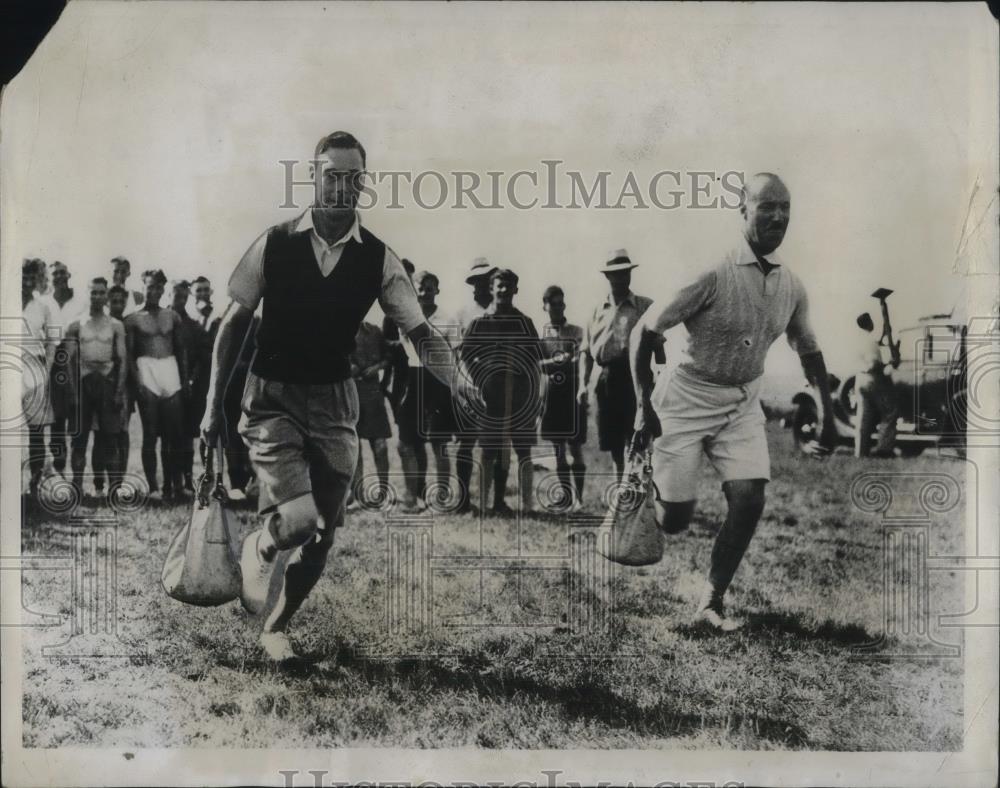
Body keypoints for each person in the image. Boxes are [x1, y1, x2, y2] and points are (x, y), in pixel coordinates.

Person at [200, 130, 483, 662]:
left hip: (335, 402)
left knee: (323, 536)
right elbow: (234, 321)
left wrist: (459, 378)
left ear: (363, 184)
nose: (343, 187)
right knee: (299, 520)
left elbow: (421, 334)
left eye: (354, 178)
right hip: (272, 398)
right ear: (314, 176)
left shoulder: (378, 258)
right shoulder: (275, 242)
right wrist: (214, 405)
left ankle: (277, 629)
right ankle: (261, 545)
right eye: (333, 175)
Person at [631, 172, 838, 631]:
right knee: (675, 522)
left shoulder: (791, 286)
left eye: (785, 208)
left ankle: (711, 601)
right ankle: (649, 487)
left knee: (749, 499)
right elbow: (643, 332)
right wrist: (644, 404)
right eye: (767, 206)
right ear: (742, 210)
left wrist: (827, 413)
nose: (778, 216)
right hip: (683, 397)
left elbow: (810, 351)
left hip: (743, 400)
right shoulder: (711, 270)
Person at [462, 268, 542, 516]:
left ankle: (527, 506)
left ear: (516, 290)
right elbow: (465, 357)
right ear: (491, 288)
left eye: (509, 285)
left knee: (522, 450)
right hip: (490, 397)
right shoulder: (479, 323)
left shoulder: (525, 323)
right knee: (489, 450)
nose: (504, 290)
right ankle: (486, 504)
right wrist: (478, 382)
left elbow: (534, 363)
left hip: (519, 395)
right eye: (499, 285)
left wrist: (534, 399)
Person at [580, 250, 660, 481]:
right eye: (616, 274)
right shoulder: (597, 310)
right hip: (607, 377)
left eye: (625, 273)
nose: (621, 278)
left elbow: (659, 344)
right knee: (614, 443)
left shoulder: (645, 306)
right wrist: (582, 386)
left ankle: (640, 494)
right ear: (608, 277)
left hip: (637, 376)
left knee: (637, 438)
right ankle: (621, 493)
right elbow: (586, 351)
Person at [124, 269, 190, 500]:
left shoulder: (172, 316)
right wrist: (138, 382)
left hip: (170, 371)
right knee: (150, 433)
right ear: (143, 287)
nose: (153, 291)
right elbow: (129, 355)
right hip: (147, 370)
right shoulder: (133, 319)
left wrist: (184, 380)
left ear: (163, 290)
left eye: (158, 287)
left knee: (174, 434)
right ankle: (153, 487)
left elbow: (181, 350)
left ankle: (173, 486)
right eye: (149, 286)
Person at [396, 270, 459, 511]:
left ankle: (442, 498)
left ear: (437, 290)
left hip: (439, 381)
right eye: (420, 287)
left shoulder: (447, 318)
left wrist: (453, 385)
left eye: (429, 288)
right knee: (405, 443)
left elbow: (456, 354)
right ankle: (412, 497)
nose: (424, 292)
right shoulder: (406, 317)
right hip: (414, 378)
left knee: (439, 442)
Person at [64, 278, 128, 501]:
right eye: (93, 293)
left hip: (107, 382)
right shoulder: (76, 324)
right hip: (83, 382)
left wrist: (119, 391)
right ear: (87, 294)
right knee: (79, 438)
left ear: (107, 296)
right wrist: (73, 392)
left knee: (110, 438)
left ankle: (113, 488)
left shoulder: (115, 325)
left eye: (101, 293)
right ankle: (77, 486)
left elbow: (122, 360)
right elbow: (68, 361)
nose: (97, 297)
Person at [453, 256, 496, 512]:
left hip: (496, 385)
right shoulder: (462, 313)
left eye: (486, 280)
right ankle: (463, 498)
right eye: (477, 281)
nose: (482, 285)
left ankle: (488, 500)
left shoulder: (499, 310)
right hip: (469, 383)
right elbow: (459, 351)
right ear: (472, 284)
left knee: (492, 444)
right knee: (465, 441)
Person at [540, 285, 587, 511]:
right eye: (553, 304)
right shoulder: (542, 336)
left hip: (573, 394)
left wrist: (564, 361)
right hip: (552, 396)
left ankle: (579, 498)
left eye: (561, 303)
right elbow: (537, 365)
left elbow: (580, 359)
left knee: (575, 448)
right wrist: (559, 361)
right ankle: (566, 496)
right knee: (557, 450)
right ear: (545, 306)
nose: (557, 308)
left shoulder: (577, 331)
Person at [43, 261, 87, 477]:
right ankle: (59, 471)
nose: (59, 276)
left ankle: (77, 475)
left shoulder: (81, 301)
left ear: (69, 274)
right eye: (55, 274)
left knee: (78, 420)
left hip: (78, 365)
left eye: (62, 272)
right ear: (50, 278)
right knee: (57, 421)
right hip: (53, 366)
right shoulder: (44, 301)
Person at [346, 321, 392, 511]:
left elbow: (388, 357)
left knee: (380, 446)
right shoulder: (338, 328)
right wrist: (348, 367)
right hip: (349, 392)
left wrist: (377, 367)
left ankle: (382, 494)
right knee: (354, 448)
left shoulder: (374, 331)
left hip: (373, 393)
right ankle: (357, 496)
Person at [21, 260, 55, 499]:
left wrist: (47, 369)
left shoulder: (42, 306)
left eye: (32, 276)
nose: (26, 281)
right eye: (23, 276)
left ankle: (34, 485)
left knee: (36, 431)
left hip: (36, 369)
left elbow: (52, 341)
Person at [171, 280, 204, 491]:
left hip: (188, 387)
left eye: (184, 297)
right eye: (176, 295)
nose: (180, 300)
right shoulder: (165, 321)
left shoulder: (192, 325)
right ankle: (171, 481)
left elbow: (202, 356)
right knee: (170, 436)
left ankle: (187, 478)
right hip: (167, 384)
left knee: (187, 436)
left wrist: (191, 379)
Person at [854, 312, 898, 458]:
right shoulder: (870, 341)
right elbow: (873, 363)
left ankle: (860, 453)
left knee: (863, 419)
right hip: (873, 379)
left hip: (860, 379)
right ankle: (884, 450)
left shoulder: (858, 339)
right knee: (889, 412)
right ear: (868, 323)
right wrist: (889, 363)